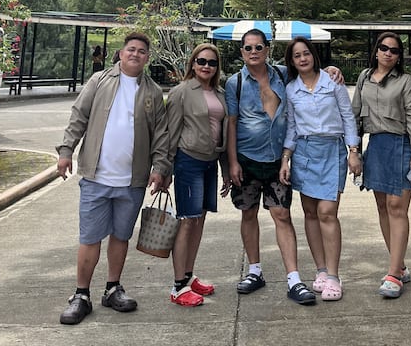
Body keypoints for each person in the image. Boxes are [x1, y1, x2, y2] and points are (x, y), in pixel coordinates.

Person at [56, 31, 171, 325]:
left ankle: (112, 288)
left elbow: (161, 134)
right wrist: (66, 150)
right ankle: (81, 294)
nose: (135, 54)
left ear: (147, 58)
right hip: (96, 177)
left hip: (132, 181)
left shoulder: (153, 92)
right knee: (90, 237)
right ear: (121, 53)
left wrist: (160, 167)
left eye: (141, 51)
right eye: (131, 49)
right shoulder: (99, 81)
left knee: (121, 236)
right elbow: (79, 116)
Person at [225, 28, 344, 306]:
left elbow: (309, 72)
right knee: (248, 213)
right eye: (248, 48)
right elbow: (231, 123)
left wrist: (331, 69)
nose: (253, 52)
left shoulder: (282, 74)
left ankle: (293, 278)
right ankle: (254, 271)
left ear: (267, 49)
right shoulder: (235, 83)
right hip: (247, 158)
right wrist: (232, 162)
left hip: (278, 159)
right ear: (241, 52)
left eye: (259, 47)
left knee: (282, 215)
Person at [279, 38, 361, 302]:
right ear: (291, 61)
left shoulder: (333, 82)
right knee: (311, 213)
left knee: (327, 212)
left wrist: (353, 151)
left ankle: (334, 275)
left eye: (306, 53)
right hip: (304, 152)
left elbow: (348, 117)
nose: (303, 59)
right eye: (297, 56)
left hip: (331, 150)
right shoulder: (291, 89)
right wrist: (286, 158)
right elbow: (292, 126)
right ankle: (321, 270)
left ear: (314, 55)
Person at [351, 31, 411, 299]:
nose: (388, 53)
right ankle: (399, 265)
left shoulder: (406, 81)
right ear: (376, 50)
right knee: (383, 206)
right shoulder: (364, 77)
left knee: (397, 207)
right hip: (377, 146)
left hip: (402, 144)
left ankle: (393, 274)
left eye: (394, 50)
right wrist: (354, 151)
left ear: (399, 56)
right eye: (384, 48)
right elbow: (354, 117)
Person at [165, 43, 231, 307]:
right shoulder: (182, 92)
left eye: (212, 62)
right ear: (193, 63)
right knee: (187, 221)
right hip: (188, 160)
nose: (206, 66)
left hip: (210, 162)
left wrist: (226, 169)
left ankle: (188, 275)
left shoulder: (220, 93)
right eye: (201, 61)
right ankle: (178, 285)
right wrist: (164, 169)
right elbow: (170, 133)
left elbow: (223, 131)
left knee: (199, 220)